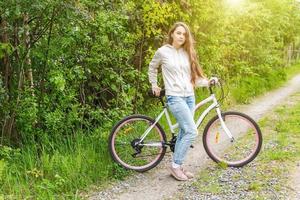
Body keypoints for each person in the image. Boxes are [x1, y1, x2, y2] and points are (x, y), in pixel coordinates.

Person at [148, 22, 217, 181]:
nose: (181, 36)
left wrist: (208, 82)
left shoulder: (188, 53)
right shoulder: (163, 52)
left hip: (189, 97)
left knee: (184, 132)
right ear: (172, 34)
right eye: (178, 33)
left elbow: (193, 78)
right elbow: (152, 67)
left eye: (184, 34)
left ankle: (177, 165)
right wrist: (154, 83)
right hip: (174, 96)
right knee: (192, 131)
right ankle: (175, 166)